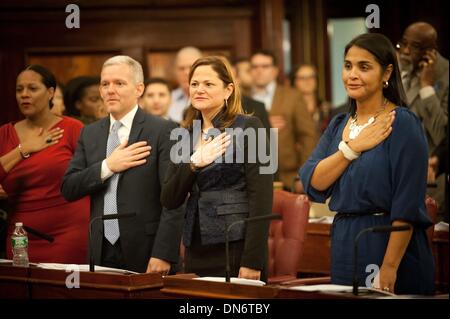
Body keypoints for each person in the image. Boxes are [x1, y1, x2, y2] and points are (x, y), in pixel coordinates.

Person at [299, 33, 435, 295]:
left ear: (387, 73)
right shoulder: (339, 124)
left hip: (386, 242)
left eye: (364, 67)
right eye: (348, 65)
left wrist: (389, 267)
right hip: (345, 242)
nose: (352, 74)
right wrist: (351, 148)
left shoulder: (402, 123)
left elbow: (407, 206)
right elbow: (313, 181)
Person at [61, 56, 184, 274]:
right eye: (105, 84)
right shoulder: (89, 133)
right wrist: (108, 166)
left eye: (119, 83)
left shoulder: (164, 131)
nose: (110, 90)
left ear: (139, 89)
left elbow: (175, 200)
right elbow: (69, 188)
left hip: (147, 248)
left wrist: (164, 252)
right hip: (100, 248)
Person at [161, 56, 273, 281]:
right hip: (196, 245)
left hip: (236, 243)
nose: (199, 90)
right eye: (194, 84)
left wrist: (253, 260)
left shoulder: (251, 126)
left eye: (208, 84)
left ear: (228, 90)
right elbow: (169, 198)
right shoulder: (185, 135)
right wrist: (193, 163)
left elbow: (261, 199)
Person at [0, 65, 90, 263]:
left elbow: (91, 177)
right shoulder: (5, 134)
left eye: (32, 88)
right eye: (19, 89)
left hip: (68, 231)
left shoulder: (72, 128)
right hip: (20, 233)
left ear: (50, 92)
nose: (24, 95)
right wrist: (24, 149)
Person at [397, 22, 448, 220]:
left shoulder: (446, 75)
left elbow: (442, 135)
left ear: (431, 51)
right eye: (404, 44)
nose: (406, 51)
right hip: (400, 174)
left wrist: (427, 88)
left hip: (431, 178)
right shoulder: (405, 69)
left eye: (415, 46)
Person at [250, 50, 318, 189]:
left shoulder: (292, 96)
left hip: (287, 177)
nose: (259, 71)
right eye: (255, 67)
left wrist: (304, 174)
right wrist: (265, 123)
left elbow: (308, 137)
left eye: (265, 66)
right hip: (252, 177)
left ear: (275, 70)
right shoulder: (241, 99)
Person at [292, 64, 331, 134]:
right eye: (302, 78)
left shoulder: (327, 109)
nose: (307, 81)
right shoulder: (289, 109)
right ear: (295, 82)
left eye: (311, 77)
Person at [168, 46, 202, 123]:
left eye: (191, 67)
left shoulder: (214, 98)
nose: (186, 73)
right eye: (181, 68)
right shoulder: (167, 99)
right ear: (175, 71)